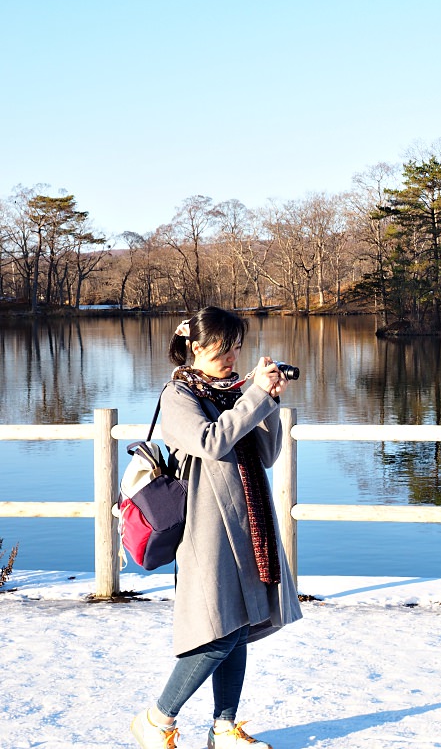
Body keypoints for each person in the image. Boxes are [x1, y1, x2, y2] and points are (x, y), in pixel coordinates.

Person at [131, 307, 302, 749]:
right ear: (194, 347)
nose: (232, 356)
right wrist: (252, 398)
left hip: (248, 523)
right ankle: (156, 718)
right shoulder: (178, 395)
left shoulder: (230, 392)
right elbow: (209, 441)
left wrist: (269, 402)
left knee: (239, 624)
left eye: (237, 347)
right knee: (216, 630)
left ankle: (224, 728)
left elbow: (265, 453)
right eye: (223, 347)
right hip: (206, 531)